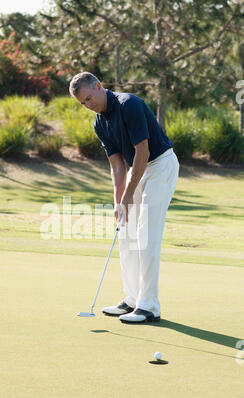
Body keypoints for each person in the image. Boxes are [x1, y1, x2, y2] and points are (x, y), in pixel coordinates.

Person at [69, 72, 179, 324]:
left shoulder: (128, 104)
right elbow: (117, 165)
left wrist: (129, 193)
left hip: (159, 165)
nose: (88, 105)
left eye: (88, 98)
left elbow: (143, 152)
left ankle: (149, 305)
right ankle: (133, 298)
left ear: (98, 86)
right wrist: (119, 201)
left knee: (146, 235)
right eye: (83, 103)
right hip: (135, 169)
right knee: (127, 232)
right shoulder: (99, 122)